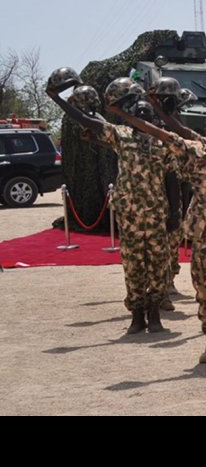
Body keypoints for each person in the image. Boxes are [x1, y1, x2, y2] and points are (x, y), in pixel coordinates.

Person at [112, 101, 206, 364]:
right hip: (203, 236)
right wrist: (123, 114)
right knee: (204, 290)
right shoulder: (194, 153)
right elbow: (162, 134)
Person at [48, 87, 174, 335]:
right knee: (133, 265)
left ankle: (155, 314)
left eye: (146, 114)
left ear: (153, 119)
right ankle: (137, 316)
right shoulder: (121, 135)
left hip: (157, 213)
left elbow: (172, 180)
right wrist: (57, 99)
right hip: (130, 216)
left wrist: (175, 214)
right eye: (137, 113)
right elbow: (87, 121)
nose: (142, 117)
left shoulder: (164, 144)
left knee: (159, 266)